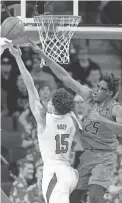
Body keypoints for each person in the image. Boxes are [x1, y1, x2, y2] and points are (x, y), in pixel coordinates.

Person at [27, 41, 122, 203]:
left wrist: (100, 119)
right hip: (86, 151)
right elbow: (65, 77)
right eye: (98, 86)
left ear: (111, 94)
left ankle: (109, 190)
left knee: (94, 198)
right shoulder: (90, 96)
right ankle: (111, 190)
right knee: (74, 195)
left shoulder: (115, 108)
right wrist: (44, 56)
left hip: (104, 156)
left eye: (101, 89)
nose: (96, 89)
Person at [6, 41, 83, 203]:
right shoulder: (71, 117)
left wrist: (18, 59)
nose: (46, 102)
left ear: (54, 107)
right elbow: (82, 142)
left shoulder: (44, 118)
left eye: (50, 101)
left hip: (54, 174)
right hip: (71, 174)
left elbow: (30, 87)